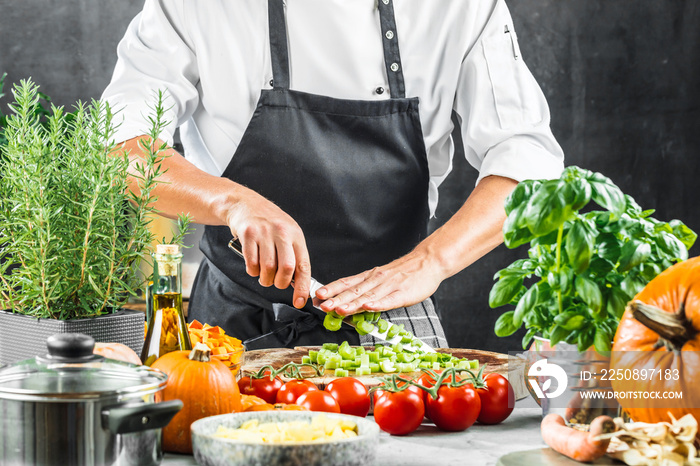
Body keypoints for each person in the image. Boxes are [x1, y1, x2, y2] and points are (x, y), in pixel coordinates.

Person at [102, 0, 564, 350]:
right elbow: (118, 143)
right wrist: (232, 202)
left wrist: (433, 262)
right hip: (233, 326)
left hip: (394, 322)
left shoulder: (461, 7)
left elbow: (526, 157)